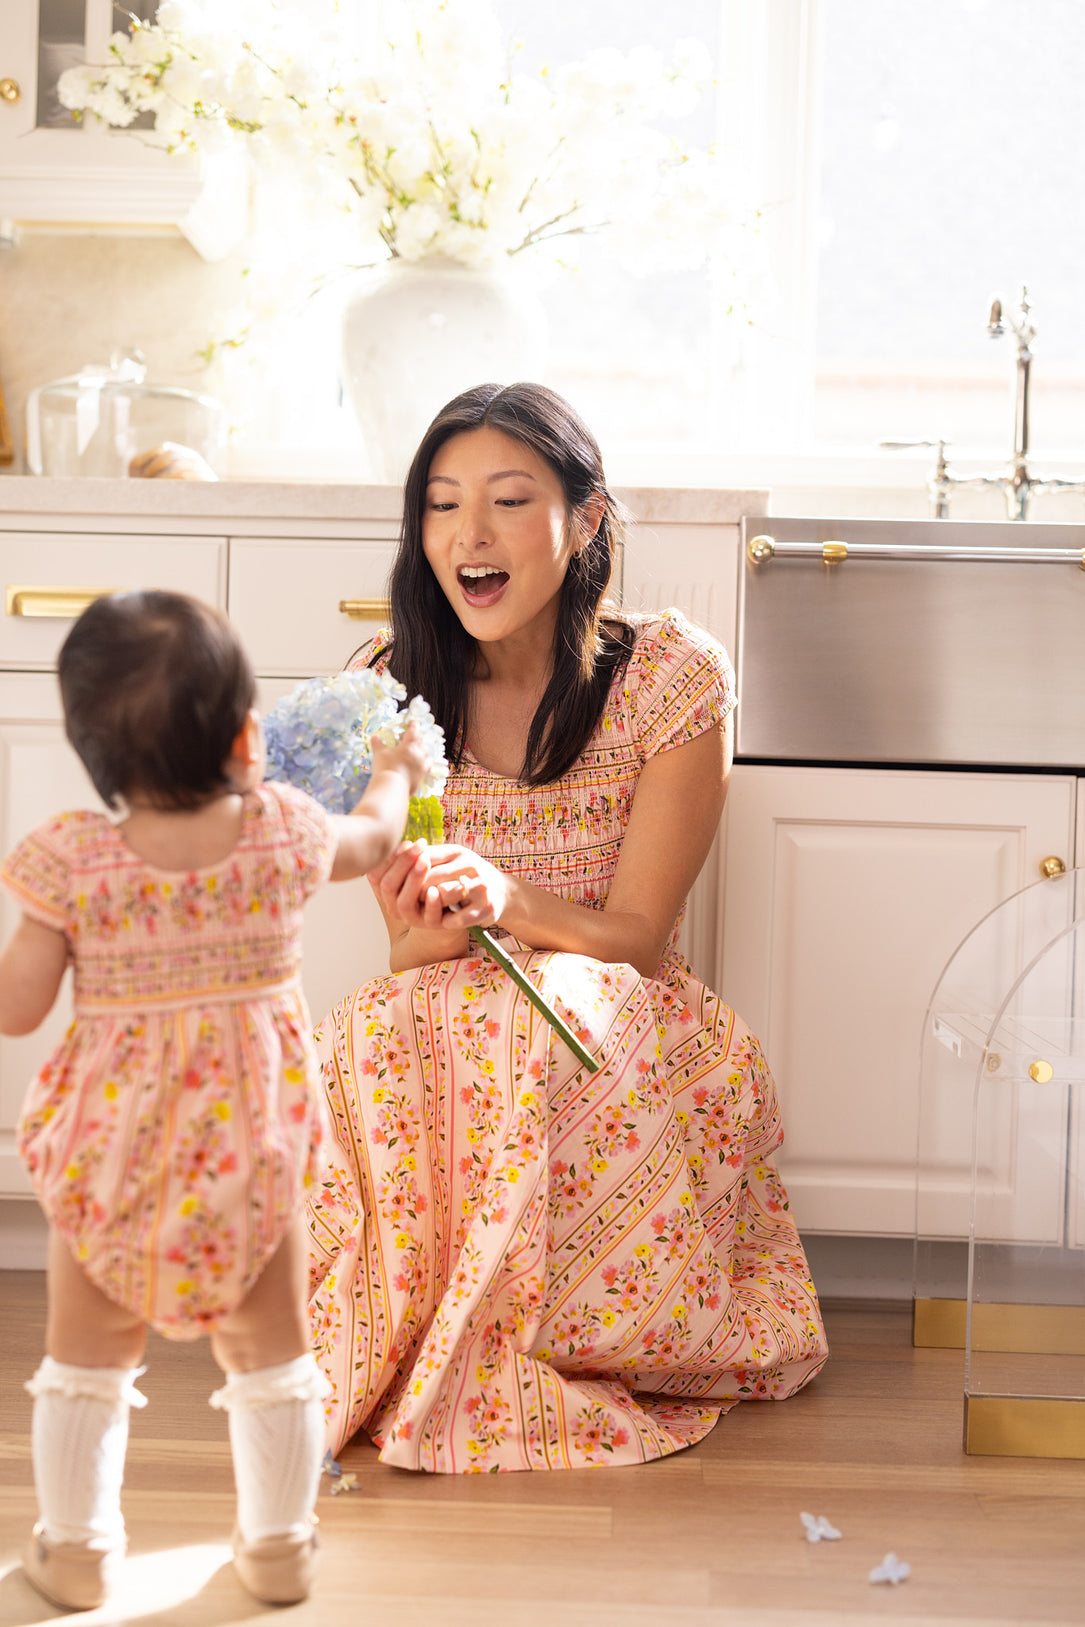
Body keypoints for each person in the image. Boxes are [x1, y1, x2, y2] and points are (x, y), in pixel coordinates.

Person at [305, 382, 828, 1474]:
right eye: (441, 506)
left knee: (547, 1022)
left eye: (506, 500)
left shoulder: (669, 679)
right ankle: (423, 1334)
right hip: (459, 993)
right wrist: (426, 930)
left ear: (585, 520)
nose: (469, 535)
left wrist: (509, 899)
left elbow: (639, 934)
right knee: (373, 1024)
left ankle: (539, 1339)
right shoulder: (385, 693)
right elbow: (405, 957)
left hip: (617, 997)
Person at [0, 590, 429, 1610]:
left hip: (111, 1160)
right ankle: (278, 1548)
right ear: (246, 736)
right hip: (251, 1154)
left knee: (86, 1363)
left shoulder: (73, 860)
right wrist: (395, 771)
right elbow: (371, 837)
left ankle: (76, 1552)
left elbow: (17, 1010)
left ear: (95, 756)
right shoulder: (281, 833)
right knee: (273, 1359)